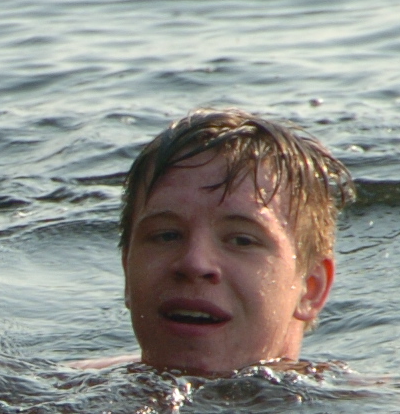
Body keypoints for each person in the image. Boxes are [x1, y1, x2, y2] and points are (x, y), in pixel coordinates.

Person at [102, 108, 354, 376]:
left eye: (242, 240)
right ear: (127, 269)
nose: (194, 263)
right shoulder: (75, 391)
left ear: (311, 287)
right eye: (167, 235)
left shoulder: (364, 402)